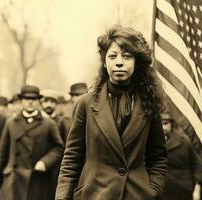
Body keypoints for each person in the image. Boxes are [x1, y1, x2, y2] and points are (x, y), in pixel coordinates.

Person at [55, 25, 168, 200]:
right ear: (104, 62)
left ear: (137, 62)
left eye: (127, 56)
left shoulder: (148, 103)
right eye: (112, 56)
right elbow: (71, 159)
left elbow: (158, 158)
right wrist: (62, 197)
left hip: (136, 195)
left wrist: (151, 190)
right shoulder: (85, 103)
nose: (119, 62)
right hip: (94, 195)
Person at [0, 85, 64, 200]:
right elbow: (2, 149)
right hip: (14, 177)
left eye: (33, 99)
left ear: (38, 101)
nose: (30, 102)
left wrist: (45, 162)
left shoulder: (48, 123)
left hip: (37, 178)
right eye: (26, 99)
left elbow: (59, 148)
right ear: (21, 101)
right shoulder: (11, 122)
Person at [160, 112, 202, 200]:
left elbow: (197, 165)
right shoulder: (149, 143)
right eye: (159, 124)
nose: (163, 127)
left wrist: (197, 189)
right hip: (161, 191)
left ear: (171, 124)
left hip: (183, 188)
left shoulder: (183, 141)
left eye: (165, 123)